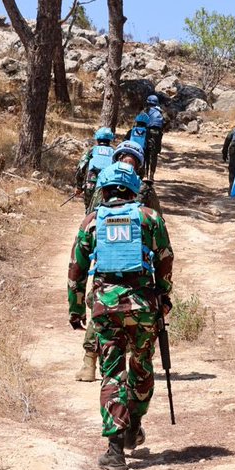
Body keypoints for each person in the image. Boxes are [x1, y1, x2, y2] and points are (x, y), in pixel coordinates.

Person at [67, 161, 174, 470]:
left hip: (105, 310)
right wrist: (164, 297)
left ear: (105, 190)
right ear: (132, 188)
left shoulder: (91, 222)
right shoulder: (149, 218)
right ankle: (134, 424)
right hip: (143, 308)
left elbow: (76, 269)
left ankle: (115, 451)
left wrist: (75, 309)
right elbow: (165, 259)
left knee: (113, 374)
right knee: (142, 367)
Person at [76, 142, 164, 382]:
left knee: (101, 307)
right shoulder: (141, 188)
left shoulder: (105, 185)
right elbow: (158, 223)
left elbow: (91, 218)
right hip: (132, 264)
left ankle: (91, 363)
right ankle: (108, 365)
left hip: (108, 258)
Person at [75, 128, 115, 206]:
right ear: (110, 139)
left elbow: (80, 168)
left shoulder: (91, 151)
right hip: (108, 186)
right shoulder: (114, 153)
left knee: (89, 209)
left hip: (91, 185)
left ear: (97, 139)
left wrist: (79, 187)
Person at [140, 95, 166, 180]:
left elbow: (139, 122)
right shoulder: (160, 112)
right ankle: (151, 175)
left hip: (145, 133)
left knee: (143, 152)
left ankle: (143, 173)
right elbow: (164, 123)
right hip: (157, 135)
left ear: (148, 102)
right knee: (154, 155)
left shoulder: (145, 111)